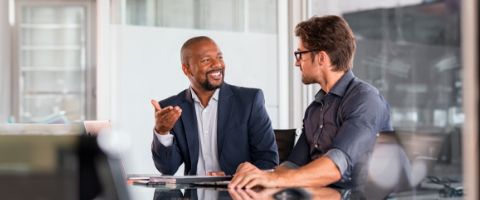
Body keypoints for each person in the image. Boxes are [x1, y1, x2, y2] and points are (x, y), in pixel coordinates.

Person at [229, 15, 392, 189]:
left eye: (300, 54)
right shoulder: (315, 109)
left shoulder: (365, 99)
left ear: (321, 58)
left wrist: (274, 180)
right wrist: (258, 176)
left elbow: (336, 166)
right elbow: (293, 166)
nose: (296, 62)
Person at [150, 36, 279, 176]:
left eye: (220, 57)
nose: (217, 64)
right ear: (186, 69)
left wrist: (233, 178)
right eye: (206, 60)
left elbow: (268, 161)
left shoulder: (249, 101)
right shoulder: (171, 108)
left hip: (237, 194)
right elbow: (167, 169)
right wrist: (162, 132)